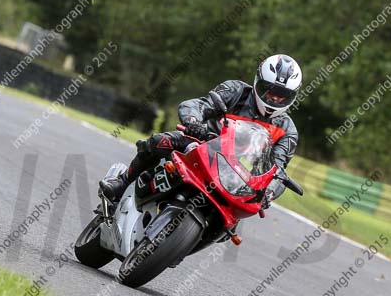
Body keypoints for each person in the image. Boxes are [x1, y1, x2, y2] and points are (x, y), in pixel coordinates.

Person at [100, 54, 302, 209]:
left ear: (292, 96)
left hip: (237, 176)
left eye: (282, 95)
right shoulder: (236, 91)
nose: (274, 99)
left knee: (235, 221)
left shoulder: (287, 130)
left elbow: (278, 170)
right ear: (258, 81)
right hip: (202, 145)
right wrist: (193, 121)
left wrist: (269, 193)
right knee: (160, 141)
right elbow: (197, 104)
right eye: (270, 90)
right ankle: (123, 181)